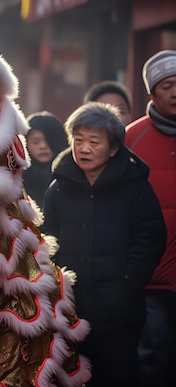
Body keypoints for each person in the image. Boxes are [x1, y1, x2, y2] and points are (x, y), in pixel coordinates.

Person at [42, 102, 166, 387]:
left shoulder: (134, 186)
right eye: (78, 140)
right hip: (70, 308)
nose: (84, 148)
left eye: (94, 142)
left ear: (113, 149)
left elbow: (150, 237)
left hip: (120, 309)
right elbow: (46, 238)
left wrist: (128, 280)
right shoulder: (58, 188)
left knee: (118, 376)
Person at [125, 49, 176, 387]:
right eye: (167, 85)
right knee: (155, 358)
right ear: (151, 94)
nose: (175, 92)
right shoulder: (131, 138)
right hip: (152, 278)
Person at [23, 111, 67, 208]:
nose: (43, 146)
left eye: (49, 140)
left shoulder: (70, 172)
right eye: (36, 142)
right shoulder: (17, 175)